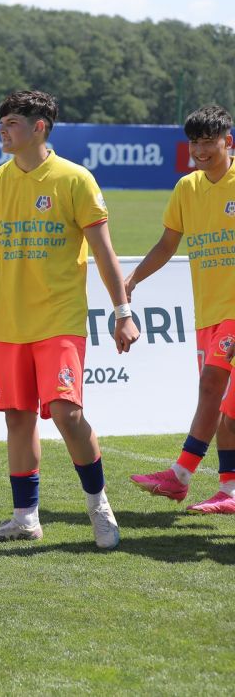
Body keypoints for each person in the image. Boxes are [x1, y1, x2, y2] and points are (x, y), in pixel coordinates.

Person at [0, 90, 139, 549]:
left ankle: (98, 505)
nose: (3, 130)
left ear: (39, 127)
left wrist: (123, 311)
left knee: (66, 412)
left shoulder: (74, 179)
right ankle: (25, 517)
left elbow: (104, 251)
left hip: (59, 320)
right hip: (7, 324)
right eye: (1, 122)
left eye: (12, 123)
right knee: (17, 419)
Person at [124, 105, 235, 514]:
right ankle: (229, 489)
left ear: (229, 141)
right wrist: (133, 279)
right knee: (224, 408)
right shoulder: (187, 189)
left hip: (233, 314)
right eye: (195, 142)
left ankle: (180, 475)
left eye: (210, 141)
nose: (201, 150)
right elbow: (168, 244)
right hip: (207, 312)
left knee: (211, 388)